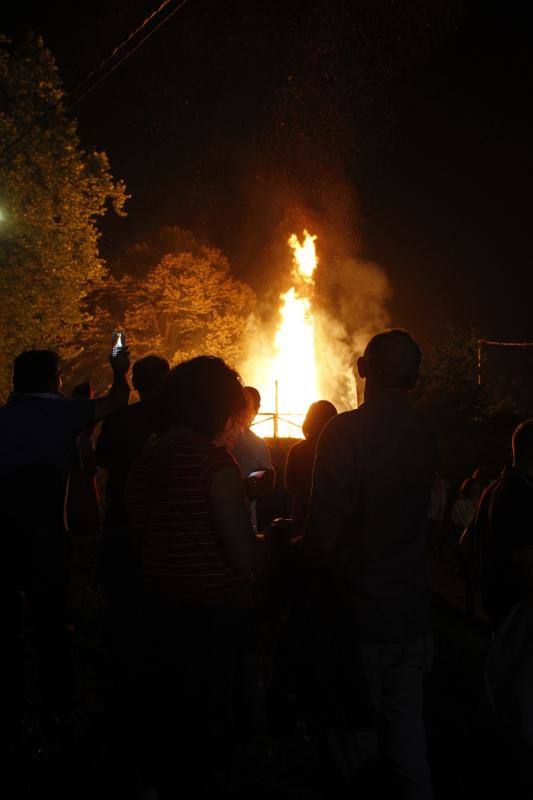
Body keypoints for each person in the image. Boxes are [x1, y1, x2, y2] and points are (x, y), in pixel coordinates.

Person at [126, 356, 270, 792]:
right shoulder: (215, 464)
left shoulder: (145, 460)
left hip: (159, 613)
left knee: (171, 730)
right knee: (216, 734)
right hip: (213, 621)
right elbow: (243, 557)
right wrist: (272, 542)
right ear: (215, 406)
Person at [305, 329, 436, 799]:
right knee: (408, 748)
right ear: (416, 381)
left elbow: (324, 533)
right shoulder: (425, 434)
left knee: (351, 750)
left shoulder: (344, 433)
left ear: (362, 369)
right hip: (412, 616)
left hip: (358, 621)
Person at [0, 346, 129, 733]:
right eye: (58, 374)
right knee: (51, 621)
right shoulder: (62, 412)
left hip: (4, 537)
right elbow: (118, 401)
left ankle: (11, 712)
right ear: (51, 379)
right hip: (45, 537)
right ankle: (57, 707)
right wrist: (119, 367)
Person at [474, 421, 533, 773]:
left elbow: (466, 546)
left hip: (497, 615)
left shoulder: (493, 490)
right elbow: (528, 567)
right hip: (521, 621)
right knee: (522, 724)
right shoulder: (523, 498)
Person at [285, 400, 337, 533]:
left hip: (301, 520)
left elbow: (290, 485)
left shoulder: (297, 450)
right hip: (331, 520)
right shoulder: (338, 451)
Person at [232, 386, 273, 532]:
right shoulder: (258, 445)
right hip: (246, 521)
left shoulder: (214, 438)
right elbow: (267, 482)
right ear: (258, 408)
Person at [65, 382, 100, 536]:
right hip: (84, 454)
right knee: (86, 492)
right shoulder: (88, 410)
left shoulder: (68, 410)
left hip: (76, 455)